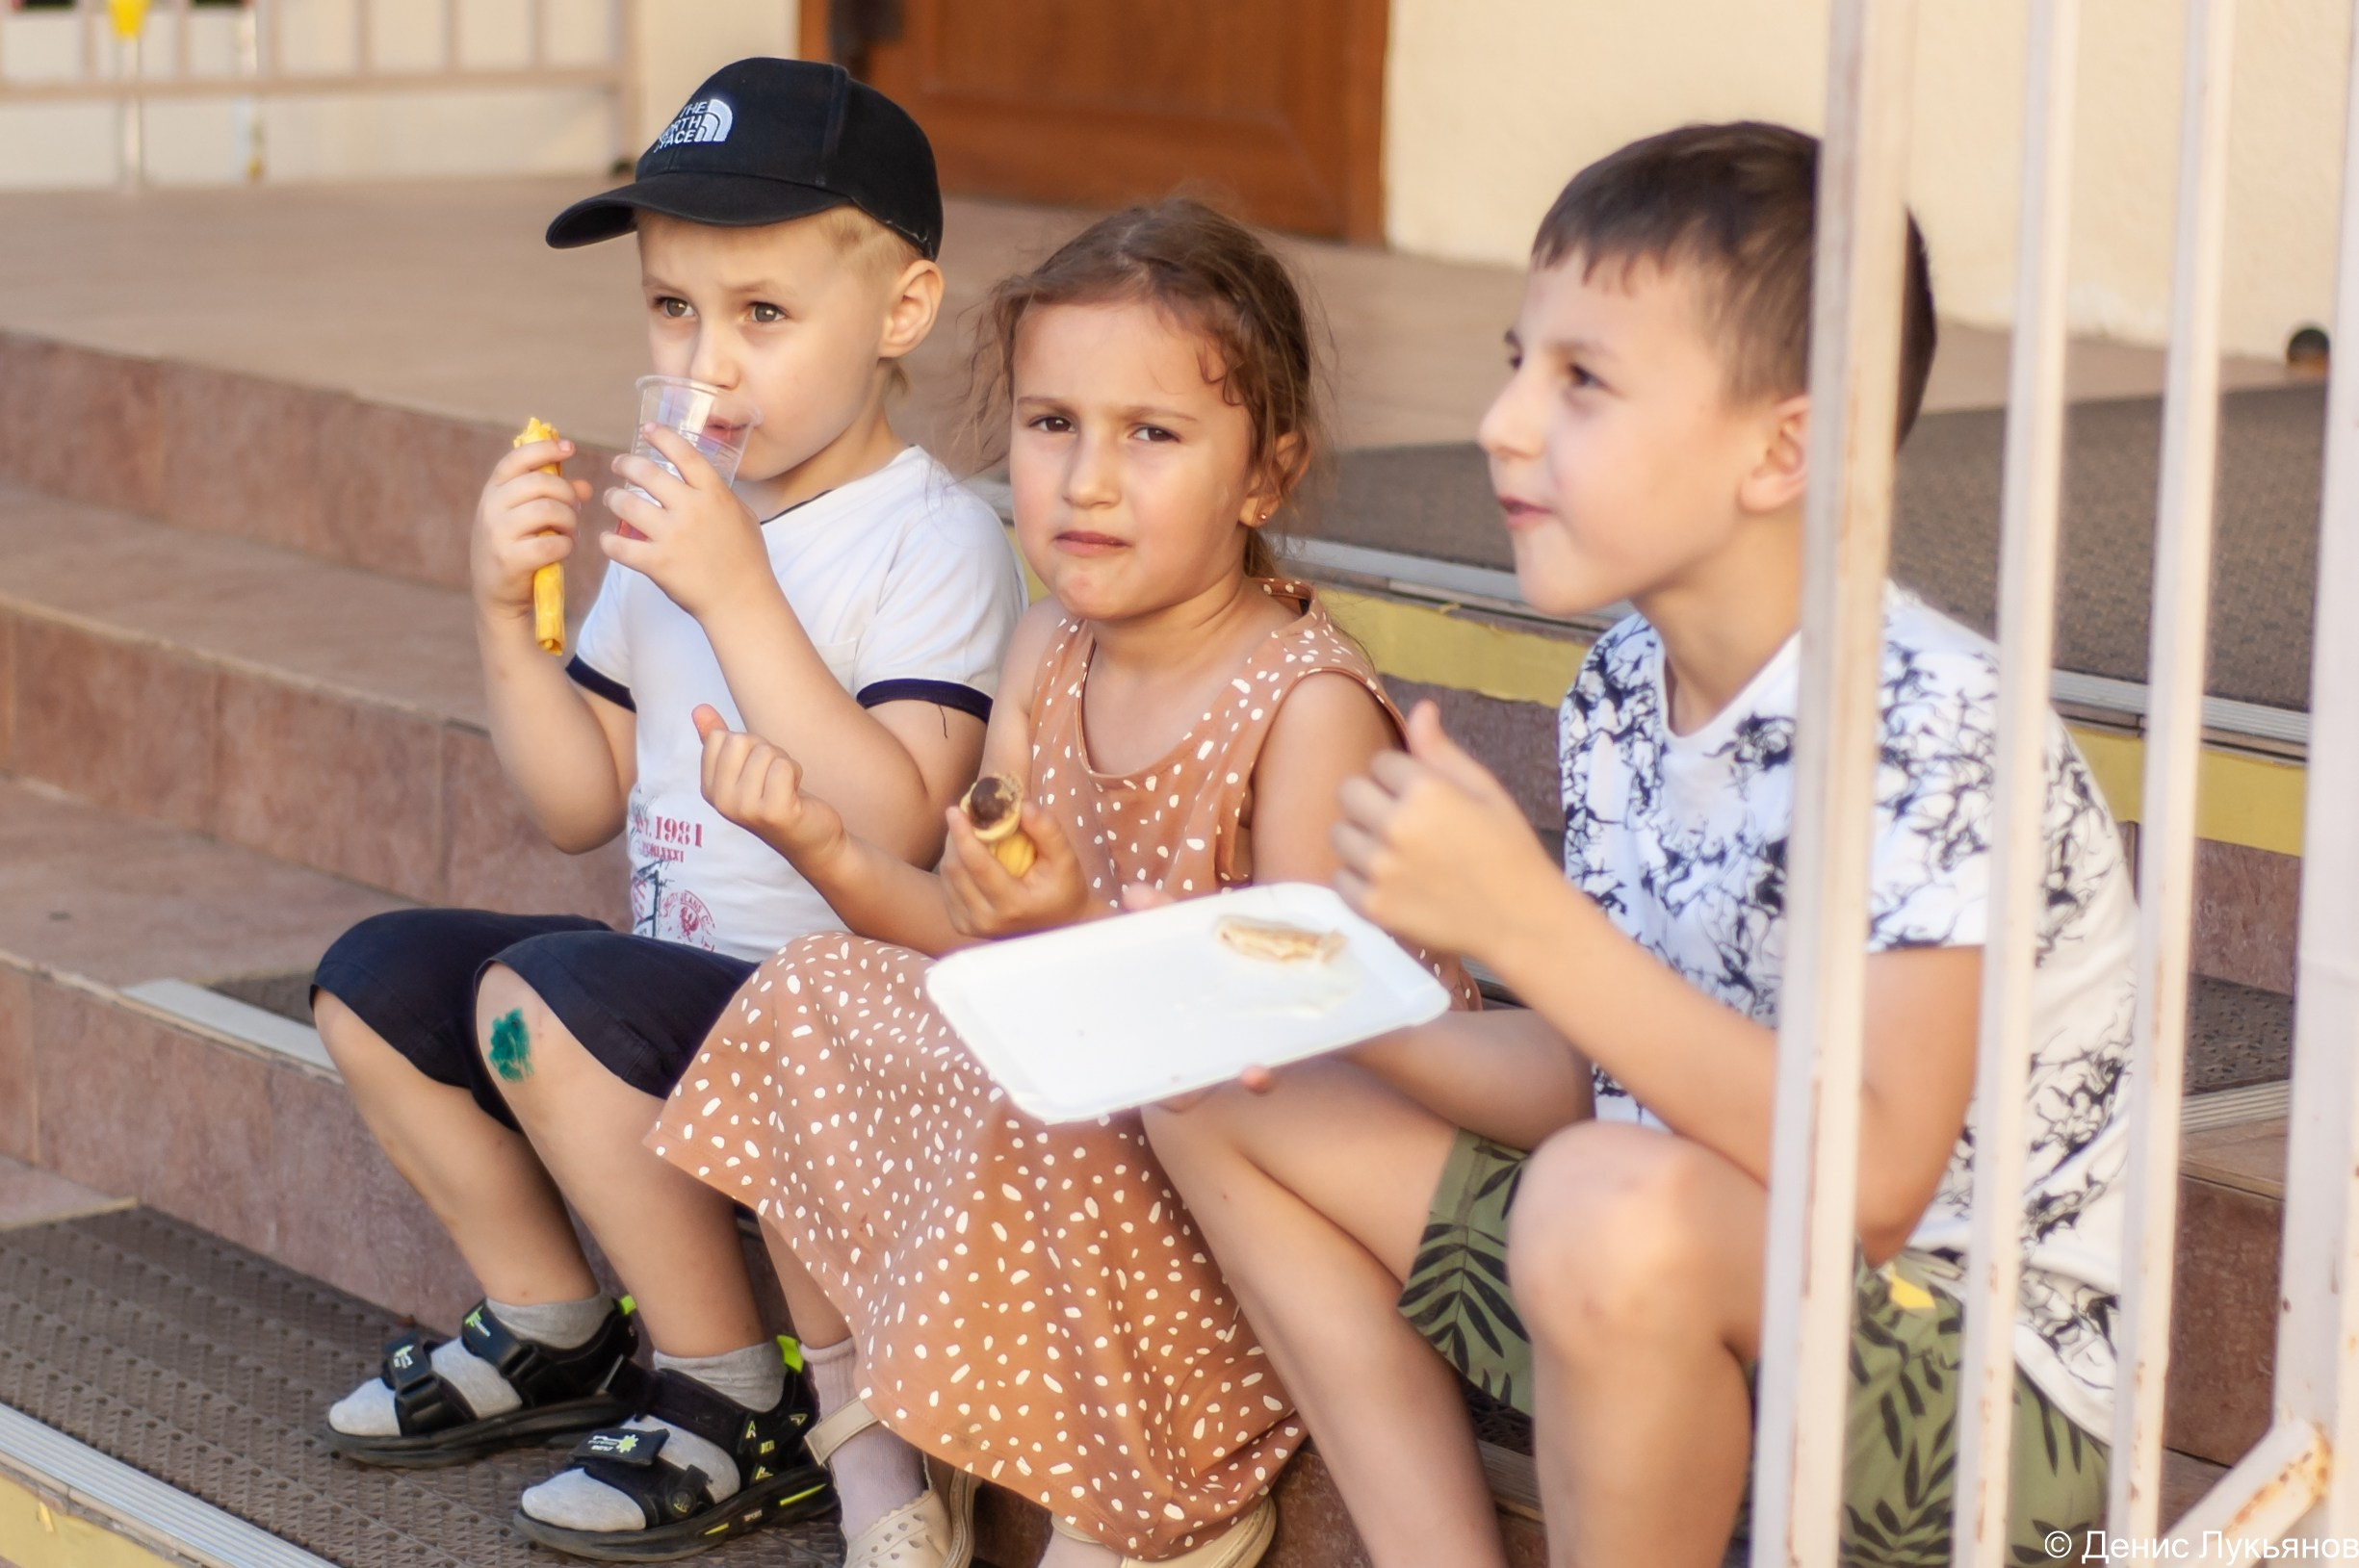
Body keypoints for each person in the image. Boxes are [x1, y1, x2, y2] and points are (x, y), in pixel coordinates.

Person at [1145, 122, 2134, 1568]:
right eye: (1514, 360)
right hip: (1657, 1259)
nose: (1499, 420)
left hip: (1976, 1398)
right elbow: (1608, 1076)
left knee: (1603, 1204)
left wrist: (1522, 923)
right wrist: (1340, 999)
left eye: (1581, 381)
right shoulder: (1620, 683)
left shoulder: (1929, 723)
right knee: (1217, 1087)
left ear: (1784, 443)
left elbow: (1867, 1181)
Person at [654, 197, 1475, 1568]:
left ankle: (1147, 1506)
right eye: (1051, 426)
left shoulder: (1302, 704)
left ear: (1265, 475)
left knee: (1063, 1097)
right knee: (806, 988)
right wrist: (828, 851)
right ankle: (879, 1462)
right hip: (1088, 1130)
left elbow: (1308, 1043)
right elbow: (970, 941)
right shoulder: (1048, 648)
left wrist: (1075, 934)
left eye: (1150, 435)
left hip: (1239, 1191)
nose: (1086, 481)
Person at [309, 58, 1024, 1560]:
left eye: (763, 315)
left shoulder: (933, 539)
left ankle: (732, 1397)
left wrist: (736, 587)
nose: (709, 363)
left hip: (839, 1034)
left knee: (544, 995)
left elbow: (894, 825)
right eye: (672, 309)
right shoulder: (665, 528)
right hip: (666, 1004)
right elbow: (576, 801)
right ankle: (555, 1325)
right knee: (374, 979)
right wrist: (506, 616)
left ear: (901, 312)